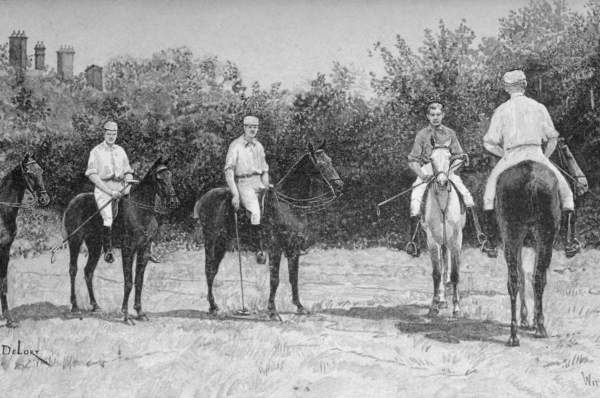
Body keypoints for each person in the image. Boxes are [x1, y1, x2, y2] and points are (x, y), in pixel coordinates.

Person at [482, 70, 581, 258]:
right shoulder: (538, 107)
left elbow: (488, 142)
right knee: (567, 195)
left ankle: (490, 241)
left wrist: (504, 154)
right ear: (524, 85)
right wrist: (544, 156)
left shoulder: (501, 110)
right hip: (537, 153)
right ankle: (570, 241)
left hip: (511, 156)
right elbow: (553, 137)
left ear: (506, 88)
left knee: (489, 195)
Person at [406, 102, 476, 257]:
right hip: (428, 170)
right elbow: (413, 160)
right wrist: (423, 175)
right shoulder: (422, 135)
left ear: (443, 115)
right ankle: (413, 242)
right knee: (415, 199)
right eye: (432, 115)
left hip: (446, 169)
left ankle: (479, 235)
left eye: (438, 114)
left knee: (466, 195)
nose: (435, 118)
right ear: (427, 116)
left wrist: (457, 162)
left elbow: (458, 154)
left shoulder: (450, 133)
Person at [85, 121, 135, 263]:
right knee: (108, 217)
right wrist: (109, 191)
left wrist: (128, 186)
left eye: (114, 134)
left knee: (134, 212)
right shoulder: (96, 151)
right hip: (103, 189)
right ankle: (107, 250)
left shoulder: (120, 150)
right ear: (104, 133)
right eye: (109, 134)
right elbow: (92, 175)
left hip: (121, 188)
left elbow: (128, 171)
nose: (112, 137)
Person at [224, 115, 270, 264]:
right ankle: (258, 250)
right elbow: (229, 171)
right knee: (255, 212)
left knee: (274, 205)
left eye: (255, 127)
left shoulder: (259, 146)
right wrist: (235, 194)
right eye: (250, 126)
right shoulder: (235, 145)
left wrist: (267, 185)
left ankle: (274, 242)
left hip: (259, 182)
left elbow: (264, 170)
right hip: (244, 183)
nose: (253, 129)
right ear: (244, 127)